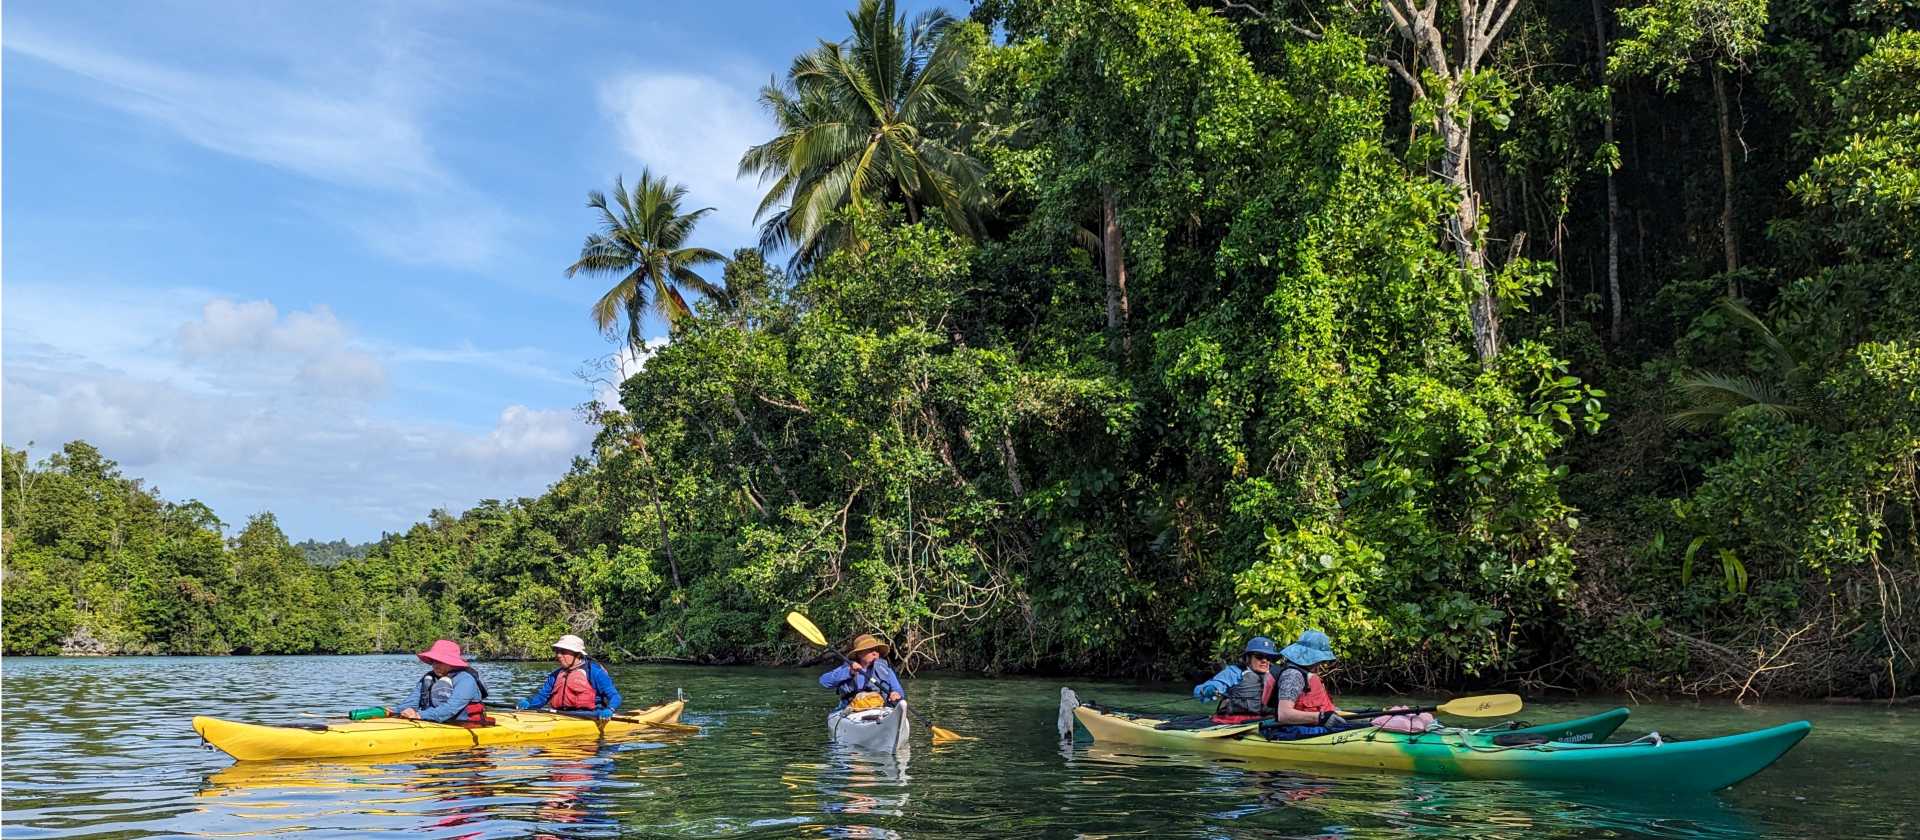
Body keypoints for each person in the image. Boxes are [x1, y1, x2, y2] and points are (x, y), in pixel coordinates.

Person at [1262, 629, 1361, 739]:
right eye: (1320, 659)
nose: (1321, 663)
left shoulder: (1305, 674)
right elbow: (1284, 714)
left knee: (1364, 724)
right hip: (1292, 729)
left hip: (1309, 725)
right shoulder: (1293, 675)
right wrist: (1321, 717)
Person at [515, 634, 622, 719]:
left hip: (588, 716)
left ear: (578, 654)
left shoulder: (595, 672)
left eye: (563, 652)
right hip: (559, 715)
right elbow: (542, 698)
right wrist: (529, 703)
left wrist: (610, 709)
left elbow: (615, 696)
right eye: (557, 652)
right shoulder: (555, 675)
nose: (559, 655)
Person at [394, 639, 490, 724]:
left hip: (466, 724)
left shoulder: (466, 679)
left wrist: (419, 715)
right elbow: (412, 702)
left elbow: (451, 708)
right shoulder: (429, 677)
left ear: (452, 662)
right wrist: (390, 711)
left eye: (440, 661)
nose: (435, 665)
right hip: (433, 720)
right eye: (433, 661)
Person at [1192, 636, 1284, 723]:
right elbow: (1199, 690)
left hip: (1263, 720)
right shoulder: (1233, 672)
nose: (1264, 661)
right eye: (1259, 656)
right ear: (1248, 658)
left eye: (1268, 657)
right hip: (1231, 722)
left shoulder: (1276, 674)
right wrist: (1208, 689)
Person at [818, 634, 904, 712]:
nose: (875, 653)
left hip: (879, 708)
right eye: (870, 650)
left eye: (877, 650)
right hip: (851, 710)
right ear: (859, 654)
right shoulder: (848, 667)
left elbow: (898, 690)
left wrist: (896, 694)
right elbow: (824, 681)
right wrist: (849, 672)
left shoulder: (884, 669)